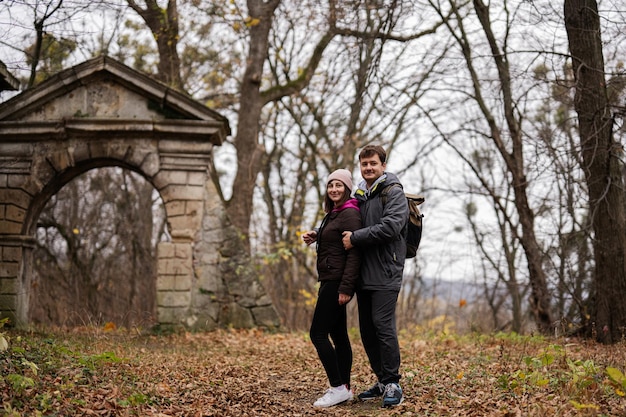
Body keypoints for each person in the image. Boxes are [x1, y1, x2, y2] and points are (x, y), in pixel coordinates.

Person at [341, 145, 409, 407]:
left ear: (383, 166)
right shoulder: (360, 194)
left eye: (373, 163)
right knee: (367, 331)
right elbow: (344, 219)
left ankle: (393, 382)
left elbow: (391, 227)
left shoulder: (394, 192)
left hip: (386, 271)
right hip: (363, 272)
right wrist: (317, 231)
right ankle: (382, 380)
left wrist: (355, 238)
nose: (368, 168)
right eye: (364, 164)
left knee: (383, 326)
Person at [302, 168, 361, 408]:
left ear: (347, 188)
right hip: (330, 278)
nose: (334, 189)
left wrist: (346, 287)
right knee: (338, 335)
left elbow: (355, 253)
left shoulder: (350, 214)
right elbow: (334, 235)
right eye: (330, 186)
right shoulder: (335, 213)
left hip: (337, 281)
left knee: (317, 334)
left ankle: (337, 387)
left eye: (339, 185)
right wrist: (317, 233)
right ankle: (344, 388)